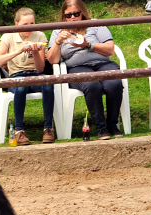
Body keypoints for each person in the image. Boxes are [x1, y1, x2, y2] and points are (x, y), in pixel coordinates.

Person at [47, 0, 123, 140]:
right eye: (68, 15)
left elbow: (110, 49)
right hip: (77, 67)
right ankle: (101, 128)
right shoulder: (58, 31)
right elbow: (52, 60)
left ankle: (112, 125)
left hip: (102, 62)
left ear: (83, 13)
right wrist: (57, 42)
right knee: (92, 85)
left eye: (76, 13)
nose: (72, 18)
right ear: (63, 16)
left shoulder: (94, 24)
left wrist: (88, 44)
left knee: (114, 83)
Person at [0, 8, 55, 145]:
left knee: (48, 85)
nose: (29, 27)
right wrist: (19, 51)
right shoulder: (9, 36)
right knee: (20, 87)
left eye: (32, 23)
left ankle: (48, 128)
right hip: (17, 75)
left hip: (36, 74)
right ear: (17, 24)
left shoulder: (39, 36)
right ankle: (19, 130)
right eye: (25, 24)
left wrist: (35, 51)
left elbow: (40, 68)